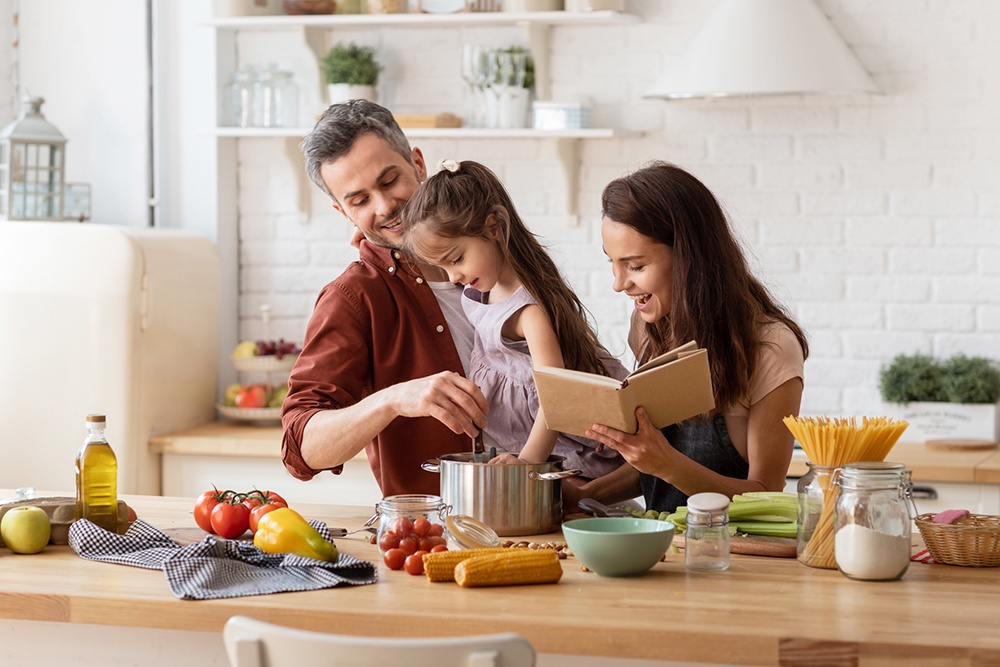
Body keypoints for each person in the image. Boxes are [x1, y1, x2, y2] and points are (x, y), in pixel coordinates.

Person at [569, 161, 808, 513]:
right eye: (613, 263)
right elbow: (653, 467)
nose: (619, 284)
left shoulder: (770, 348)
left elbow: (766, 495)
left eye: (635, 266)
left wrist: (665, 463)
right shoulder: (650, 328)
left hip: (732, 557)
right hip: (661, 548)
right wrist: (584, 495)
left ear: (688, 258)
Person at [281, 100, 490, 498]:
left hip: (557, 514)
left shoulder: (495, 247)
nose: (385, 207)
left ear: (418, 164)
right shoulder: (354, 297)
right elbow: (301, 447)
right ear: (343, 213)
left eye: (390, 180)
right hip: (441, 534)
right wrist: (393, 399)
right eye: (359, 201)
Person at [400, 159, 627, 480]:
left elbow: (556, 397)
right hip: (521, 445)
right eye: (443, 267)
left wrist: (528, 462)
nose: (453, 276)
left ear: (493, 228)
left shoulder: (528, 313)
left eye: (457, 259)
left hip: (559, 451)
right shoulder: (483, 291)